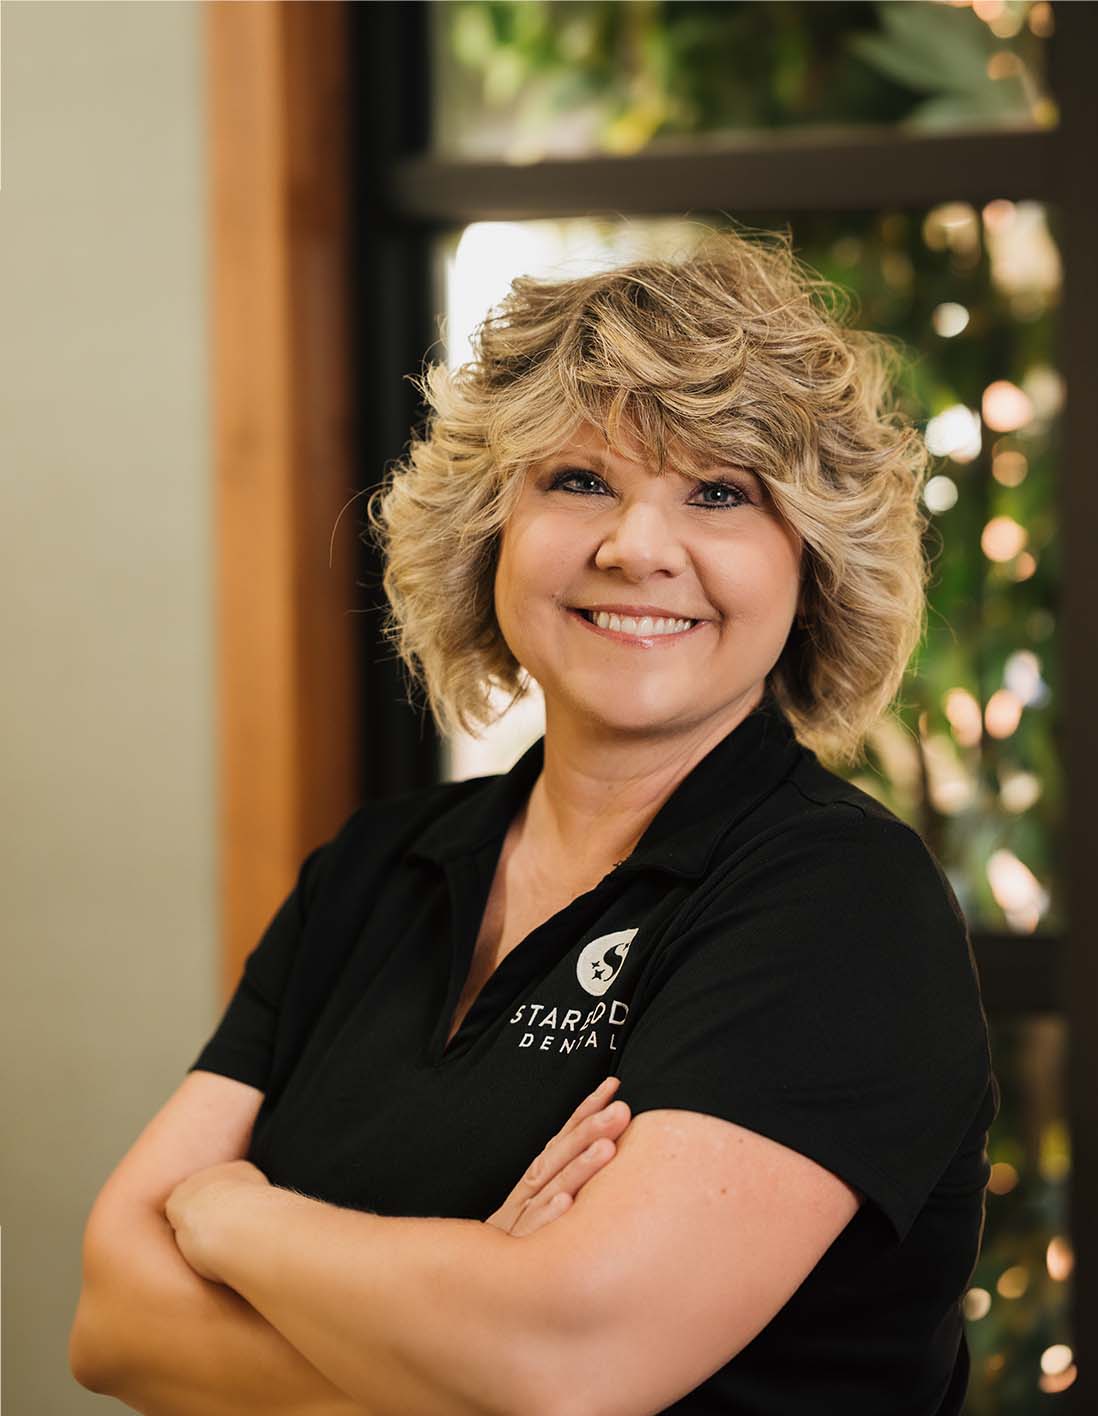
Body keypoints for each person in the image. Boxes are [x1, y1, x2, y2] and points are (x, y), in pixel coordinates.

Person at [71, 224, 998, 1416]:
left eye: (720, 493)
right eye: (579, 481)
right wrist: (467, 1339)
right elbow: (115, 1319)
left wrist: (233, 1217)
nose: (637, 548)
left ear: (812, 566)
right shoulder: (374, 868)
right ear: (488, 528)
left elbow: (566, 1366)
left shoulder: (843, 904)